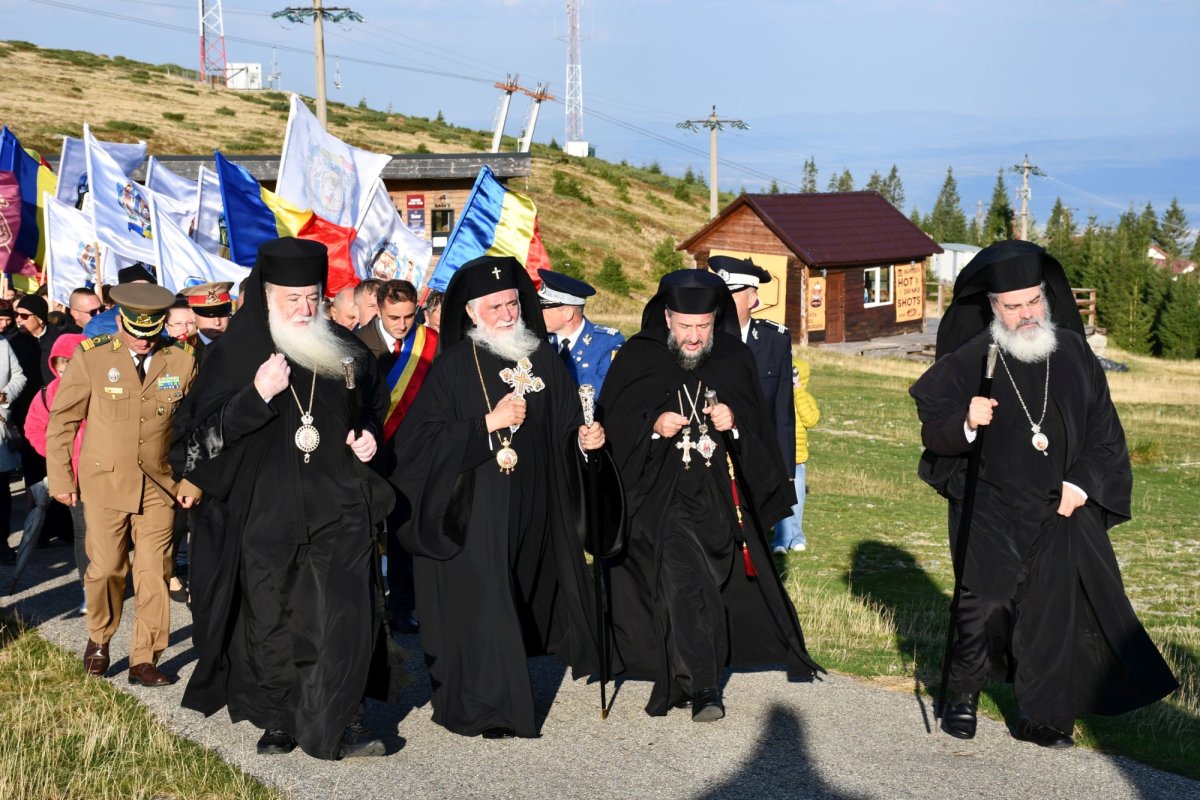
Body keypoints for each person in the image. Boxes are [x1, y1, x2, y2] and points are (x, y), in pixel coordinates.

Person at [909, 240, 1178, 748]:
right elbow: (932, 429)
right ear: (993, 308)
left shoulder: (1074, 354)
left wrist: (1080, 485)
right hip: (989, 500)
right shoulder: (972, 359)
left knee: (1048, 610)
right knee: (984, 600)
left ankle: (1042, 717)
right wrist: (966, 422)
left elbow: (1105, 434)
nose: (1027, 314)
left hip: (1059, 504)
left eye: (1034, 301)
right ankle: (963, 693)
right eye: (1013, 306)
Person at [172, 237, 396, 760]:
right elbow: (195, 444)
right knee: (273, 620)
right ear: (267, 294)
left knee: (341, 615)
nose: (304, 308)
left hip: (338, 506)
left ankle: (344, 722)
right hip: (264, 513)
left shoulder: (346, 348)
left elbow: (372, 408)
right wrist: (255, 397)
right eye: (292, 298)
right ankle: (279, 719)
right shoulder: (236, 353)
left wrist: (367, 435)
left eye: (313, 296)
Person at [390, 255, 611, 739]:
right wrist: (487, 424)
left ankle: (506, 689)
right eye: (496, 307)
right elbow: (417, 444)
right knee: (486, 602)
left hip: (536, 504)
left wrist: (584, 440)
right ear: (471, 313)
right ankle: (492, 709)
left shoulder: (546, 359)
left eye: (513, 303)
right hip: (474, 509)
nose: (508, 315)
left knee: (518, 596)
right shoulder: (451, 367)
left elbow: (565, 424)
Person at [598, 269, 823, 721]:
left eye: (702, 326)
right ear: (666, 317)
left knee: (707, 586)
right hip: (659, 498)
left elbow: (758, 426)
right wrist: (652, 425)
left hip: (720, 498)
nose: (695, 336)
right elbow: (614, 425)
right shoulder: (638, 356)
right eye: (685, 326)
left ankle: (684, 676)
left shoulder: (733, 358)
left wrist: (732, 421)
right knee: (685, 581)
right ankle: (703, 688)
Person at [46, 284, 200, 687]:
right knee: (108, 569)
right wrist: (61, 477)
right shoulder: (93, 356)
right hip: (105, 482)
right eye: (135, 332)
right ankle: (99, 639)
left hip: (159, 484)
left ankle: (144, 658)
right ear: (120, 322)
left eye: (151, 333)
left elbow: (194, 427)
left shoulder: (180, 360)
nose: (143, 341)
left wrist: (193, 479)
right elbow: (63, 420)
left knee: (154, 571)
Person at [356, 279, 435, 635]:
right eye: (393, 317)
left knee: (405, 532)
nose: (402, 324)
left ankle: (404, 605)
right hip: (366, 455)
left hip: (412, 456)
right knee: (368, 533)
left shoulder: (429, 344)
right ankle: (369, 604)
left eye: (408, 316)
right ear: (378, 307)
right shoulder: (356, 345)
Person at [10, 333, 87, 600]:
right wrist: (57, 454)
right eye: (62, 363)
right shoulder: (47, 394)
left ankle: (108, 578)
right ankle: (89, 587)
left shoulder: (100, 391)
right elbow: (33, 429)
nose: (67, 368)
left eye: (74, 362)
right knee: (84, 532)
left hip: (105, 471)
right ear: (55, 364)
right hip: (72, 474)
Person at [712, 256, 795, 483]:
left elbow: (782, 410)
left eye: (731, 296)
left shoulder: (774, 342)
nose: (723, 303)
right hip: (711, 457)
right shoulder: (702, 339)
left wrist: (786, 470)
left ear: (752, 300)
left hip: (758, 458)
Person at [537, 269, 625, 392]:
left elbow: (608, 388)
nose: (538, 313)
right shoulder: (538, 338)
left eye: (544, 308)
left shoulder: (608, 342)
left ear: (568, 314)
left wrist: (555, 374)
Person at [773, 359, 819, 554]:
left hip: (798, 459)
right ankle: (780, 541)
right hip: (779, 458)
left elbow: (811, 419)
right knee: (781, 500)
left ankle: (797, 537)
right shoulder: (776, 397)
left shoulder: (805, 397)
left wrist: (798, 391)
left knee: (797, 499)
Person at [0, 333, 26, 565]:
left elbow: (19, 376)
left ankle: (1, 544)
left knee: (1, 491)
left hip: (0, 424)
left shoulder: (2, 342)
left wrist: (5, 394)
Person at [83, 263, 157, 338]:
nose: (142, 293)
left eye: (147, 288)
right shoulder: (98, 325)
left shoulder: (163, 318)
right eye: (135, 289)